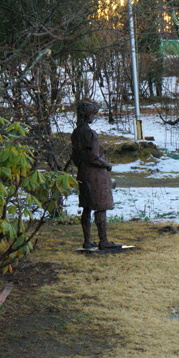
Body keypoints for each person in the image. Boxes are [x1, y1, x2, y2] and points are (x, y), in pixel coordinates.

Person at [71, 101, 122, 249]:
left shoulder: (76, 133)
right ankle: (103, 240)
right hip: (95, 176)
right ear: (88, 115)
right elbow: (94, 157)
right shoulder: (90, 134)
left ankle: (87, 240)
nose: (94, 117)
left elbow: (75, 156)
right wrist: (106, 164)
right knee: (100, 207)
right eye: (93, 114)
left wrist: (81, 166)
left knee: (87, 207)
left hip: (83, 173)